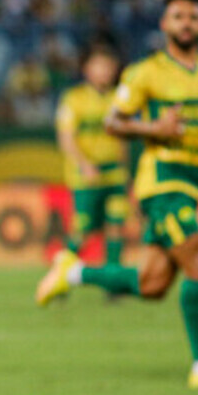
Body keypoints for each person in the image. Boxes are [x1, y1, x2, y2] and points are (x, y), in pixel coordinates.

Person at [36, 0, 198, 390]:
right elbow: (114, 123)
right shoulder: (145, 72)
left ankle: (74, 272)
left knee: (152, 284)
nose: (186, 23)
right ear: (164, 25)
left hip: (190, 182)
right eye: (178, 16)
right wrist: (155, 129)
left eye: (193, 17)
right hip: (160, 182)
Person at [54, 41, 130, 270]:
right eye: (99, 66)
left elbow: (124, 138)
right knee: (83, 230)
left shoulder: (120, 99)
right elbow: (66, 138)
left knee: (116, 225)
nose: (104, 72)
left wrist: (126, 171)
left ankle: (113, 282)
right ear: (87, 69)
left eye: (108, 66)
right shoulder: (73, 98)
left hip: (114, 172)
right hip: (85, 175)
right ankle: (60, 275)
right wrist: (84, 164)